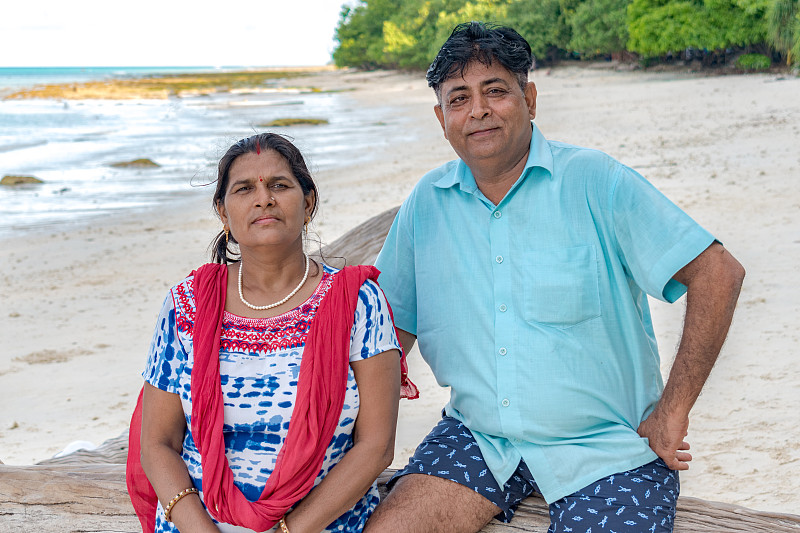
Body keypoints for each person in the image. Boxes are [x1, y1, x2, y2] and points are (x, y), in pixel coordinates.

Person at [367, 22, 744, 533]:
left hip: (608, 447)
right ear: (441, 118)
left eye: (495, 90)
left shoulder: (595, 180)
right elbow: (388, 331)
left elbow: (718, 272)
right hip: (478, 438)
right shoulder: (426, 203)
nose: (477, 109)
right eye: (459, 98)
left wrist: (673, 411)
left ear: (530, 98)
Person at [125, 133, 417, 533]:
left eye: (279, 185)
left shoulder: (358, 302)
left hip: (320, 526)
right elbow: (157, 444)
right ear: (223, 212)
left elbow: (376, 446)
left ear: (308, 202)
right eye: (245, 189)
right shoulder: (187, 304)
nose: (264, 199)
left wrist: (288, 531)